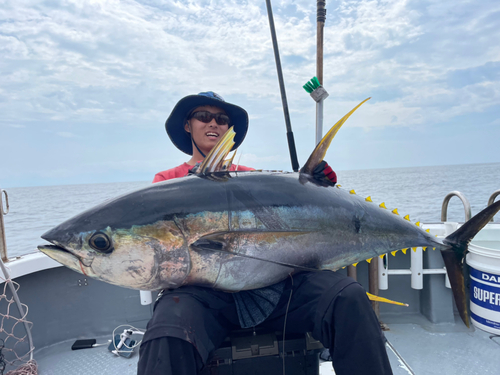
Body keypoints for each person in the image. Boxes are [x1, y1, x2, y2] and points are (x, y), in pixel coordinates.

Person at [138, 92, 393, 375]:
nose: (214, 123)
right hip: (204, 298)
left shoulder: (250, 177)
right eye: (203, 116)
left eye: (222, 119)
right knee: (168, 328)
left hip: (270, 288)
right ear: (188, 125)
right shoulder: (166, 182)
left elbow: (289, 217)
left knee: (347, 296)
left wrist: (316, 187)